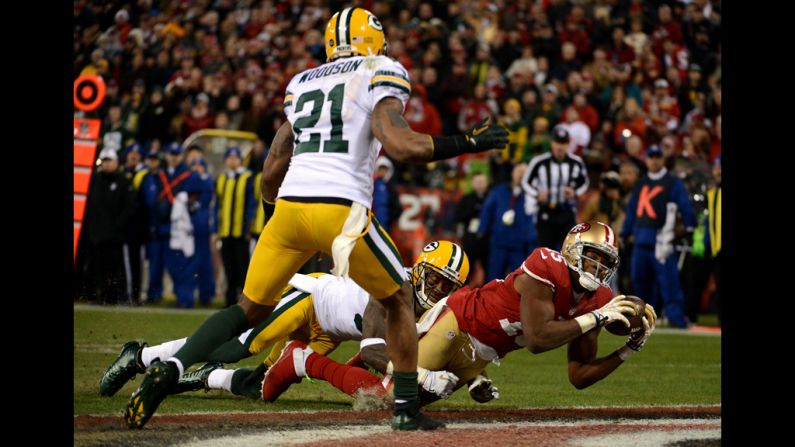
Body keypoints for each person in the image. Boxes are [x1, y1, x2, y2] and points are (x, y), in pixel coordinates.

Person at [124, 7, 508, 431]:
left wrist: (278, 215)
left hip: (289, 208)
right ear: (376, 42)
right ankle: (405, 408)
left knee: (248, 309)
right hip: (341, 208)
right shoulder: (380, 70)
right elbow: (400, 144)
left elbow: (273, 165)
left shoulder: (303, 81)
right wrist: (468, 141)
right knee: (398, 296)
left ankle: (173, 367)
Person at [102, 241, 472, 405]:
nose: (437, 288)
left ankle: (203, 377)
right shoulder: (395, 286)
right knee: (234, 347)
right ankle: (139, 356)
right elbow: (373, 349)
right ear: (420, 269)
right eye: (435, 278)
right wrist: (417, 375)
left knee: (259, 387)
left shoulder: (431, 308)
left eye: (446, 285)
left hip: (331, 332)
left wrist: (472, 377)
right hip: (311, 302)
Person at [621, 145, 696, 328]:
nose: (654, 160)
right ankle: (641, 320)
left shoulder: (672, 183)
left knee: (669, 282)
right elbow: (632, 211)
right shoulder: (641, 183)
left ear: (663, 159)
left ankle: (675, 319)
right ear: (646, 159)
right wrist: (625, 233)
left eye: (657, 156)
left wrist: (689, 225)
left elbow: (685, 206)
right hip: (641, 241)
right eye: (651, 156)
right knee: (639, 283)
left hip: (662, 241)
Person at [521, 127, 589, 251]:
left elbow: (584, 182)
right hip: (546, 211)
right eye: (557, 142)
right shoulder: (539, 162)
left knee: (568, 251)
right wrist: (537, 194)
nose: (560, 147)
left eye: (563, 143)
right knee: (546, 252)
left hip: (566, 211)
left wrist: (575, 192)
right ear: (552, 143)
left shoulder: (576, 162)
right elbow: (525, 182)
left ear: (568, 144)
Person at [478, 163, 538, 281]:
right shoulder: (499, 191)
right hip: (499, 243)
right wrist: (482, 230)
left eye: (524, 173)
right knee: (493, 279)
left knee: (516, 281)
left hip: (519, 246)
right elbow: (487, 210)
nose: (521, 175)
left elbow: (534, 220)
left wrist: (531, 242)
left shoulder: (532, 195)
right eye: (518, 171)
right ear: (512, 173)